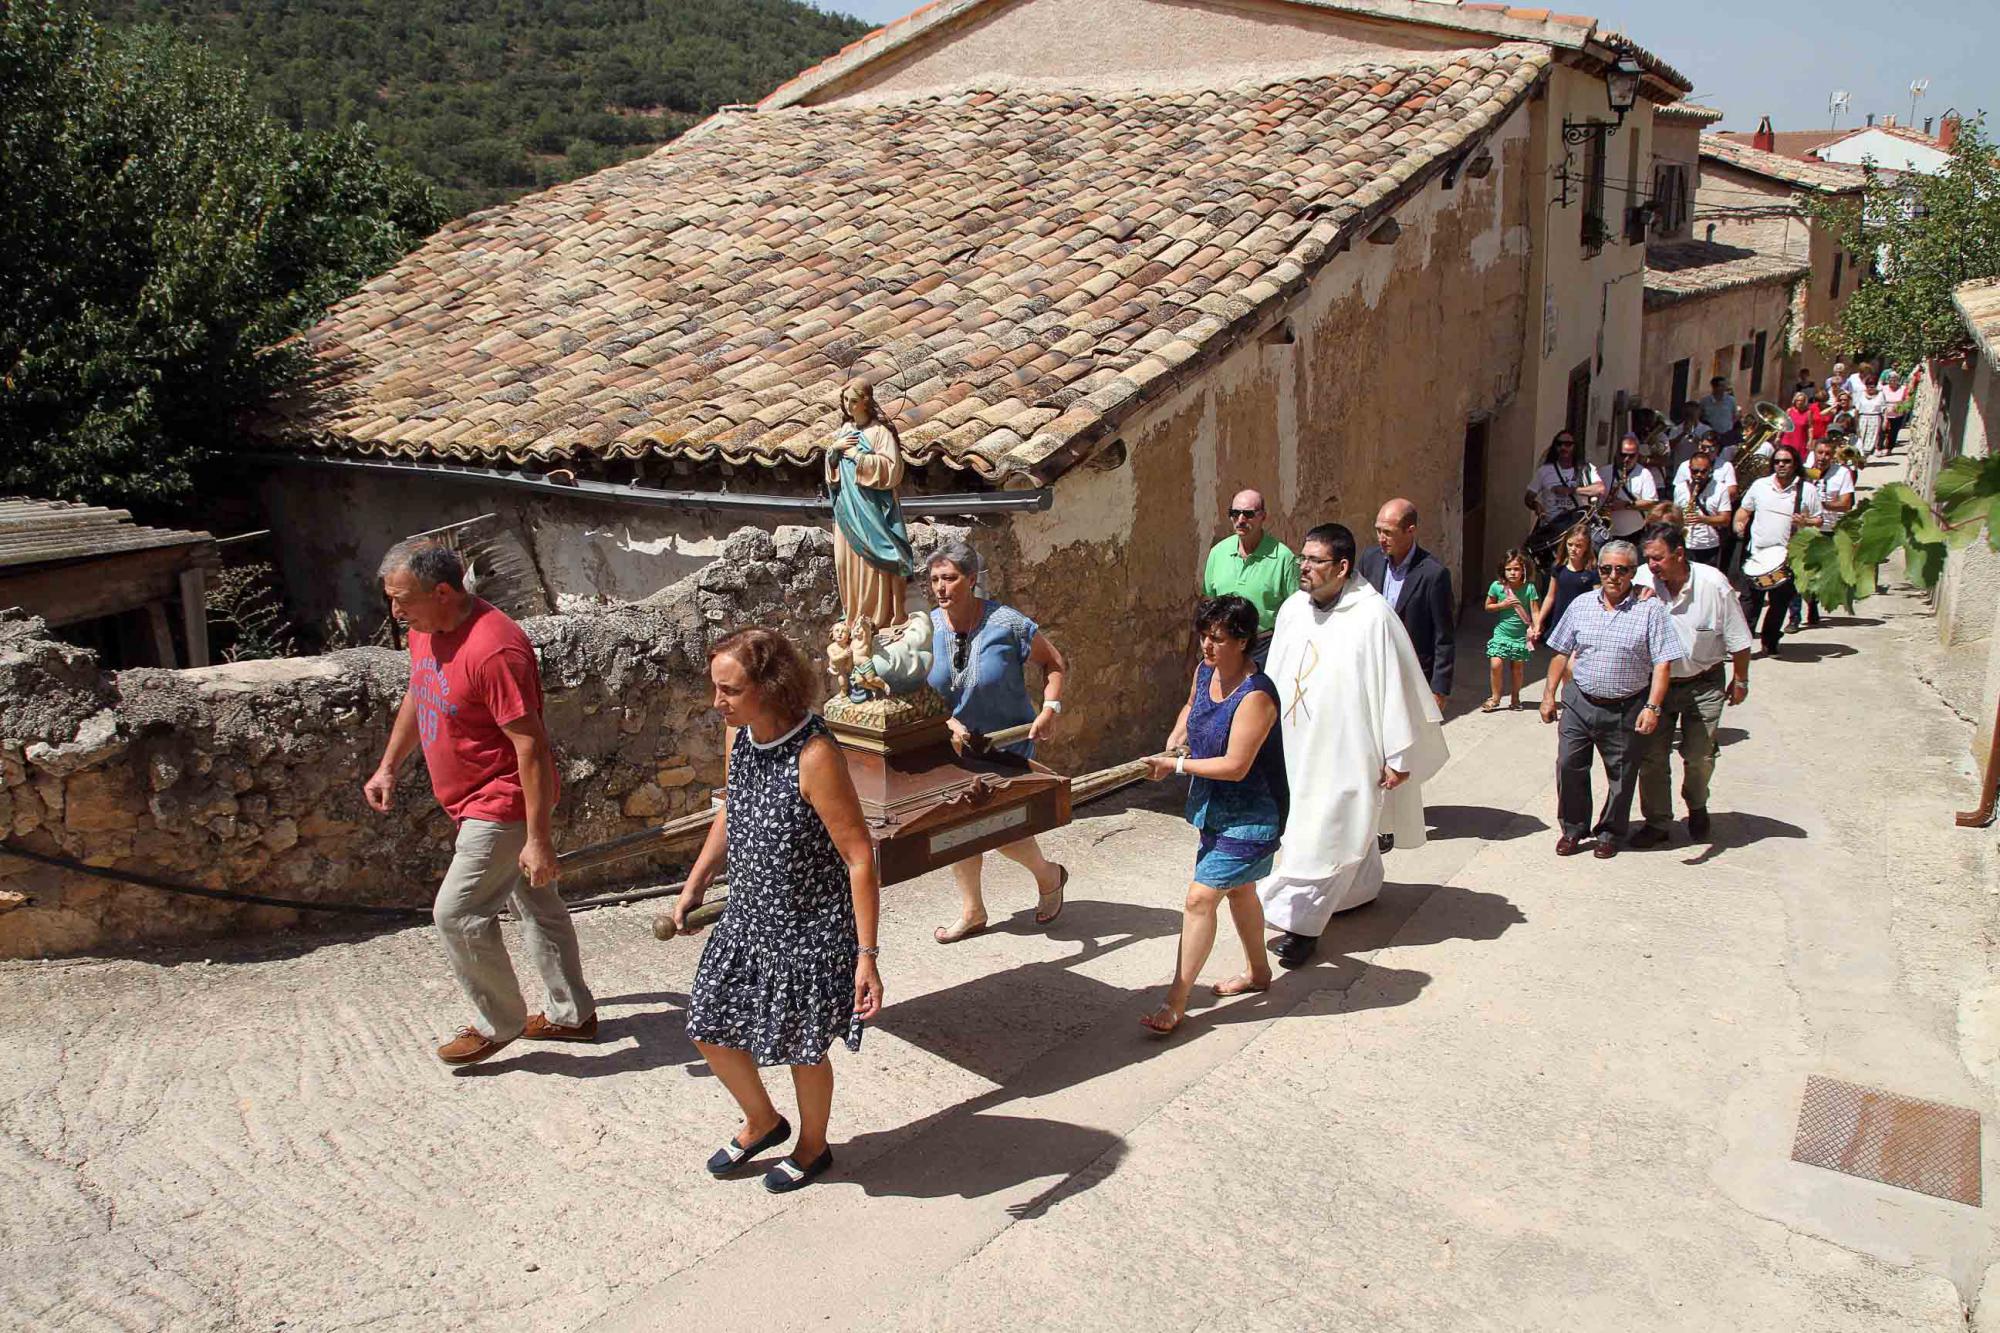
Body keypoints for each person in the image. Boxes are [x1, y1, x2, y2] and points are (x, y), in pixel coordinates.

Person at [365, 539, 596, 1067]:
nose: (395, 611)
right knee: (537, 905)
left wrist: (537, 839)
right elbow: (420, 691)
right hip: (471, 799)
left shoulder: (495, 649)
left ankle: (499, 1023)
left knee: (458, 914)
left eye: (403, 599)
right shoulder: (425, 631)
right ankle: (572, 1015)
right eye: (391, 598)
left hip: (503, 801)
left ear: (443, 592)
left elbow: (530, 746)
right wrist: (388, 765)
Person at [672, 628, 881, 1194]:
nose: (717, 702)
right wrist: (696, 881)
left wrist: (866, 956)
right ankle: (763, 1120)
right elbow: (731, 807)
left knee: (800, 1047)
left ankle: (813, 1146)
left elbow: (859, 857)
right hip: (748, 916)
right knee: (707, 1022)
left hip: (807, 929)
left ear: (771, 687)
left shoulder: (815, 756)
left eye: (730, 691)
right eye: (716, 688)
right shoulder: (739, 736)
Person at [1257, 524, 1448, 967]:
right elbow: (1277, 673)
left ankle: (1301, 927)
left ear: (1342, 567)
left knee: (1327, 832)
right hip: (1296, 743)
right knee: (1317, 829)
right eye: (1302, 558)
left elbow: (1395, 685)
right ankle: (1357, 891)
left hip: (1348, 749)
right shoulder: (1293, 610)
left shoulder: (1372, 617)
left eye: (1314, 560)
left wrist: (1397, 755)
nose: (1303, 567)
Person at [1137, 595, 1288, 1035]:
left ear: (1242, 641)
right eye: (1204, 635)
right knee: (1240, 890)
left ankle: (1175, 1001)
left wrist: (1176, 767)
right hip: (1214, 807)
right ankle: (1259, 972)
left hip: (1253, 814)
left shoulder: (1256, 695)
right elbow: (1192, 707)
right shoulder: (1206, 671)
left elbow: (1236, 766)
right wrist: (1176, 738)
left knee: (1200, 898)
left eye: (1218, 638)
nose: (1207, 645)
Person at [924, 541, 1069, 942]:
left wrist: (1050, 709)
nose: (941, 588)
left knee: (1001, 829)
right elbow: (918, 691)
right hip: (955, 751)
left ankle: (1048, 875)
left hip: (1007, 747)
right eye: (934, 579)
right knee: (958, 825)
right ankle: (973, 910)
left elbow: (1054, 662)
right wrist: (945, 722)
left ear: (971, 579)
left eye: (950, 578)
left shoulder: (1007, 623)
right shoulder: (927, 629)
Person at [1538, 538, 1683, 858]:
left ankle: (1610, 833)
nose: (1613, 576)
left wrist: (1652, 707)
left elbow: (1663, 663)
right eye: (1606, 569)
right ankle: (1573, 829)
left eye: (1621, 570)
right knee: (1569, 765)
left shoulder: (1650, 610)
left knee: (1622, 775)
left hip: (1626, 706)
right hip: (1579, 701)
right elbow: (1560, 652)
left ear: (1633, 572)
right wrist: (1548, 695)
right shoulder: (1581, 605)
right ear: (1598, 570)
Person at [1630, 524, 1752, 846]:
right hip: (1656, 686)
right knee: (1652, 757)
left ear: (1679, 554)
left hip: (1704, 682)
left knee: (1699, 755)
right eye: (1648, 558)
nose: (1652, 565)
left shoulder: (1714, 584)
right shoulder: (1640, 581)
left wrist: (1741, 679)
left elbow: (1739, 639)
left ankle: (1697, 805)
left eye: (1658, 558)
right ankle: (1657, 822)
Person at [825, 379, 916, 631]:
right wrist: (833, 451)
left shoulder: (880, 433)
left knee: (874, 563)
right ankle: (853, 615)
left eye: (854, 401)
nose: (848, 406)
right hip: (847, 508)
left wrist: (858, 457)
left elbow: (892, 469)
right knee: (845, 561)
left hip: (871, 508)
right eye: (845, 400)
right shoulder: (844, 430)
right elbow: (833, 470)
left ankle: (878, 618)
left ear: (866, 401)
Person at [1358, 498, 1455, 711]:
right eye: (1378, 531)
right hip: (1372, 669)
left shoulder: (1433, 574)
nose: (1381, 538)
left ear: (1410, 531)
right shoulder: (1369, 560)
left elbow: (1444, 636)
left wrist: (1439, 688)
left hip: (1412, 675)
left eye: (1388, 533)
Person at [1734, 443, 1822, 656]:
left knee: (1779, 604)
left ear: (1795, 464)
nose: (1781, 465)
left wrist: (1806, 521)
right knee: (1749, 603)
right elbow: (1744, 510)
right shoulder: (1760, 485)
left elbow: (1819, 520)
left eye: (1786, 461)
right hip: (1757, 555)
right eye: (1777, 461)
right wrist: (1739, 523)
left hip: (1786, 558)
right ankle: (1741, 646)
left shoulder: (1807, 490)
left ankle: (1770, 641)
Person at [1200, 489, 1299, 667]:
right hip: (1223, 646)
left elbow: (1296, 612)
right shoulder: (1218, 553)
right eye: (1235, 513)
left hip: (1264, 648)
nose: (1240, 520)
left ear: (1263, 516)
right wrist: (1192, 653)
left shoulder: (1283, 558)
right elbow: (1207, 604)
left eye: (1248, 514)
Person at [1788, 436, 1856, 632]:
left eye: (1827, 454)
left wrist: (1821, 504)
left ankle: (1813, 604)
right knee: (1798, 572)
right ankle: (1794, 616)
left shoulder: (1842, 473)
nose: (1823, 457)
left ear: (1833, 455)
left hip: (1828, 530)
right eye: (1820, 453)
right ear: (1814, 453)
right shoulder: (1804, 472)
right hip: (1804, 529)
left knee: (1818, 574)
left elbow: (1846, 504)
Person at [1482, 549, 1538, 712]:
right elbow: (1488, 606)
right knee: (1496, 664)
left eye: (1516, 569)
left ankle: (1515, 698)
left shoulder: (1529, 588)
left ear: (1524, 570)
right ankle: (1495, 698)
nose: (1512, 573)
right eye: (1509, 569)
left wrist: (1536, 626)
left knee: (1517, 669)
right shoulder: (1497, 587)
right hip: (1502, 633)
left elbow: (1535, 610)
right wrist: (1502, 605)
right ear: (1503, 570)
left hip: (1520, 635)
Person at [1531, 521, 1598, 651]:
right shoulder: (1558, 568)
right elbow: (1550, 597)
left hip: (1581, 623)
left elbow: (1596, 601)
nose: (1573, 549)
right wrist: (1538, 622)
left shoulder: (1592, 572)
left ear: (1587, 547)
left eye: (1578, 546)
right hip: (1559, 621)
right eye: (1570, 544)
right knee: (1558, 658)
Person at [1524, 430, 1605, 524]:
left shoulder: (1586, 469)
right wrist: (1536, 505)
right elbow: (1529, 498)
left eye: (1568, 444)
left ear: (1575, 447)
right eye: (1559, 444)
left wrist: (1571, 490)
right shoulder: (1544, 471)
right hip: (1552, 526)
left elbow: (1600, 489)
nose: (1563, 447)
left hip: (1578, 526)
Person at [1674, 449, 1732, 567]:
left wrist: (1702, 519)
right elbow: (1675, 515)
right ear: (1689, 469)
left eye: (1703, 471)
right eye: (1695, 471)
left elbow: (1725, 519)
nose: (1699, 475)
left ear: (1710, 470)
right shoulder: (1680, 488)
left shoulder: (1720, 489)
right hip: (1686, 544)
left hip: (1709, 545)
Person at [1603, 433, 1659, 540]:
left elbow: (1652, 503)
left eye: (1631, 456)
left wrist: (1626, 505)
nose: (1626, 459)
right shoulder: (1604, 472)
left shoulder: (1644, 474)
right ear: (1617, 453)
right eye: (1623, 454)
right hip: (1607, 533)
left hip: (1634, 535)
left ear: (1637, 455)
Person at [1851, 368, 1889, 461]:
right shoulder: (1861, 394)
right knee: (1860, 438)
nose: (1870, 388)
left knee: (1871, 439)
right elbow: (1857, 409)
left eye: (1872, 386)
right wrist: (1855, 422)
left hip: (1875, 419)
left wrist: (1885, 420)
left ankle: (1864, 457)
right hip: (1863, 418)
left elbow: (1884, 409)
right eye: (1868, 386)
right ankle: (1858, 457)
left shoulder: (1880, 395)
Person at [1666, 401, 1714, 472]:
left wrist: (1696, 439)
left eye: (1693, 413)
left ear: (1699, 413)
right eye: (1688, 413)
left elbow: (1710, 449)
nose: (1691, 416)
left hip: (1699, 468)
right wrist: (1682, 434)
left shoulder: (1706, 429)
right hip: (1680, 467)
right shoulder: (1676, 429)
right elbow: (1669, 447)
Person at [1699, 376, 1741, 451]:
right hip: (1711, 437)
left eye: (1725, 386)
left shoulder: (1731, 400)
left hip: (1727, 435)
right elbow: (1701, 417)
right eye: (1722, 386)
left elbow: (1735, 416)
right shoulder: (1704, 401)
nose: (1725, 388)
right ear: (1715, 387)